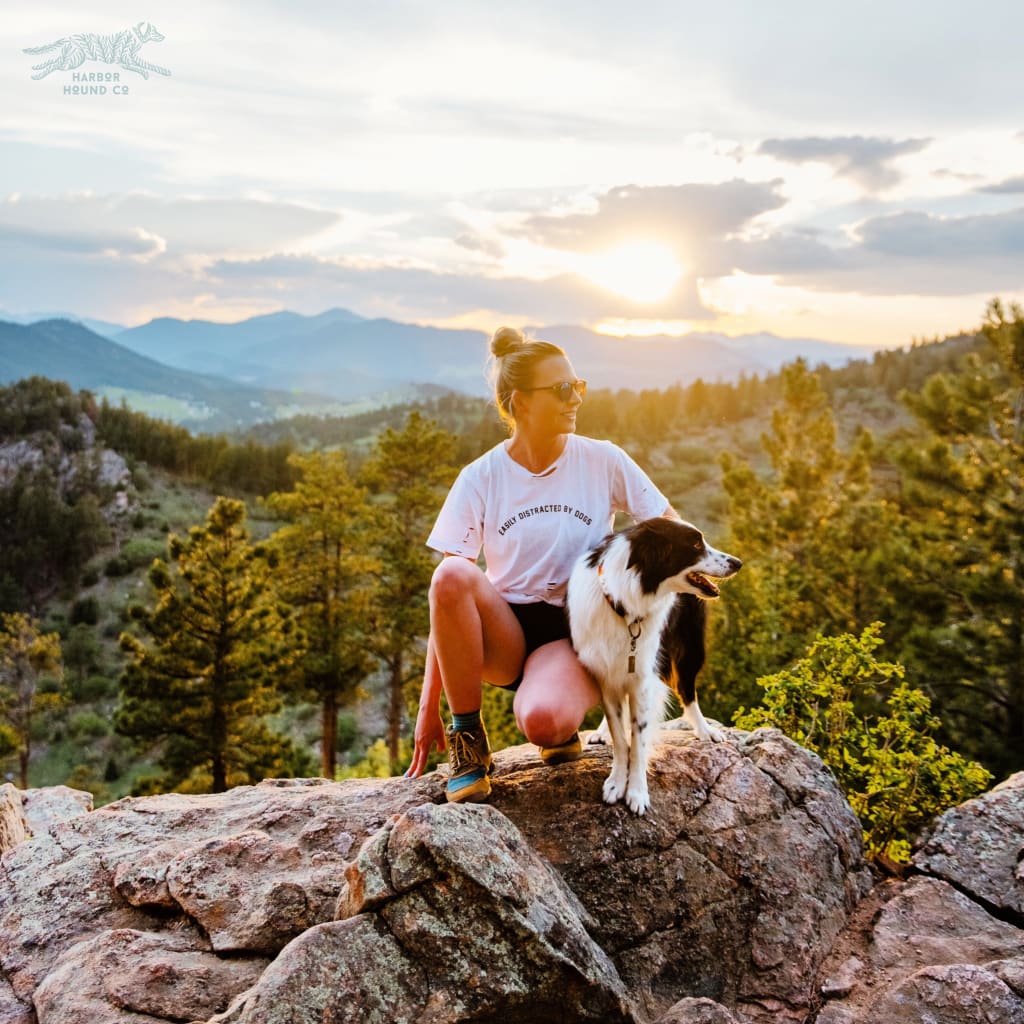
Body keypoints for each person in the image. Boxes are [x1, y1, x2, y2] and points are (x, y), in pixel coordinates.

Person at [405, 326, 673, 802]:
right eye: (563, 389)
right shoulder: (481, 477)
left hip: (577, 629)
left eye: (579, 386)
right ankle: (468, 741)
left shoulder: (602, 460)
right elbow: (445, 604)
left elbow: (673, 535)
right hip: (506, 631)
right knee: (451, 573)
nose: (576, 398)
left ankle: (560, 721)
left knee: (544, 723)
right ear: (521, 402)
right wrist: (429, 707)